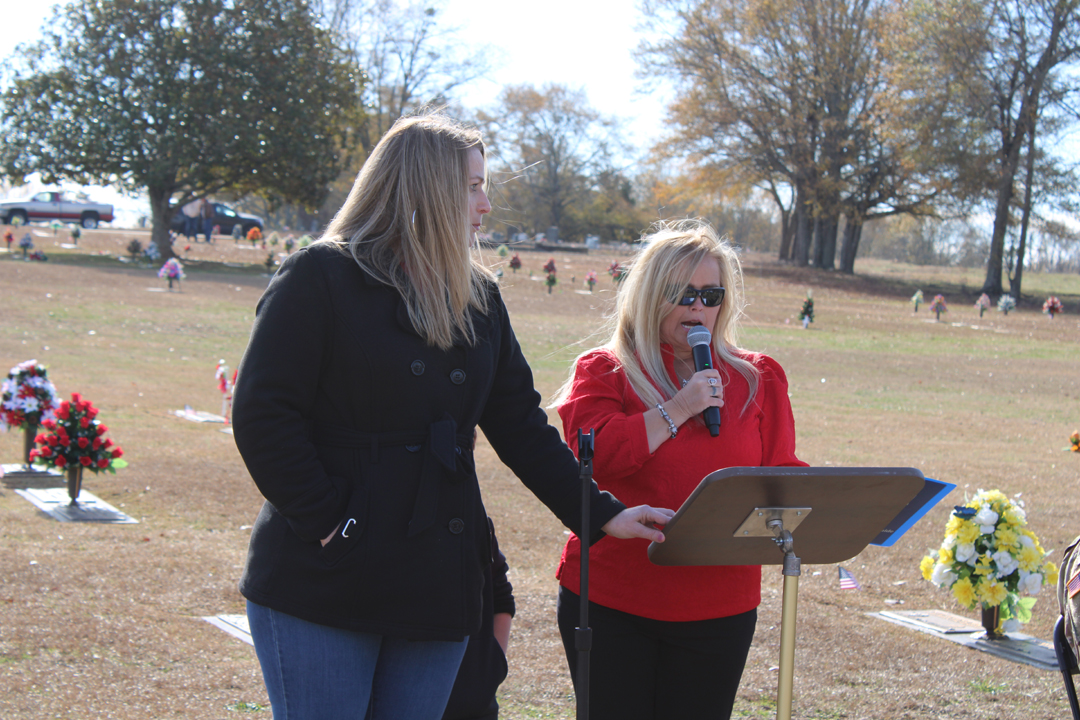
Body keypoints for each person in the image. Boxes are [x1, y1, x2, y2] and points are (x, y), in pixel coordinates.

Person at [230, 112, 672, 720]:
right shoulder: (320, 276)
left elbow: (520, 425)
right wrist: (332, 524)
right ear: (423, 188)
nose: (487, 204)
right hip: (325, 573)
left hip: (436, 571)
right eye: (472, 186)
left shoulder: (480, 297)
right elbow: (263, 415)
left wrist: (603, 513)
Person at [551, 219, 807, 720]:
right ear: (650, 294)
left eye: (711, 295)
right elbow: (593, 456)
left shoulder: (758, 378)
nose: (698, 307)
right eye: (682, 293)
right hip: (613, 600)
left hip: (720, 605)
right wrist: (681, 406)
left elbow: (781, 472)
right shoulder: (604, 370)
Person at [442, 518, 513, 720]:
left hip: (474, 704)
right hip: (398, 700)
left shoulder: (473, 517)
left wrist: (491, 663)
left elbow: (500, 596)